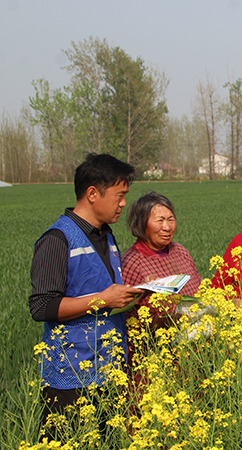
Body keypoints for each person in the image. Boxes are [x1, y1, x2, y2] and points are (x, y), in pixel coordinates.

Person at [28, 153, 143, 428]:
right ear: (93, 193)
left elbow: (101, 286)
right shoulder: (57, 239)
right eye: (119, 195)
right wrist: (104, 299)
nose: (124, 204)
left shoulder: (106, 235)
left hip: (109, 371)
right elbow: (42, 306)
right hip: (70, 379)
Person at [121, 192, 201, 325]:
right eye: (160, 220)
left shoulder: (180, 251)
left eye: (171, 219)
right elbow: (129, 316)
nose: (167, 227)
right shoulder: (132, 261)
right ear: (140, 225)